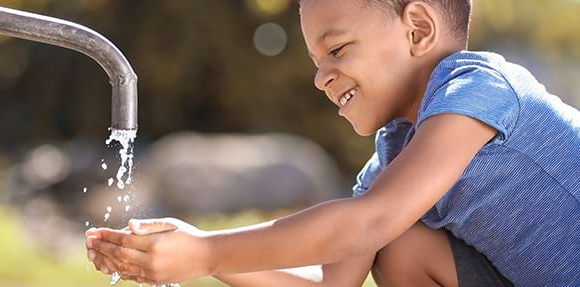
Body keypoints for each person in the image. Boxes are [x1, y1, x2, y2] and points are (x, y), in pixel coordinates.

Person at [85, 0, 580, 286]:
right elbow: (333, 284)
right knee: (400, 248)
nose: (321, 77)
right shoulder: (394, 158)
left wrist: (210, 251)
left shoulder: (478, 87)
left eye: (337, 50)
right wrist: (192, 251)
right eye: (316, 61)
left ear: (419, 29)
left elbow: (366, 222)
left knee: (386, 233)